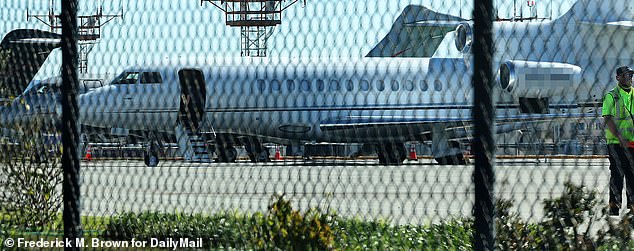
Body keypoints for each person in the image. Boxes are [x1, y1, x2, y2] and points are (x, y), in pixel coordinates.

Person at [603, 65, 634, 216]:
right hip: (616, 143)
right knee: (617, 173)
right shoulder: (611, 96)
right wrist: (619, 137)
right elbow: (607, 119)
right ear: (618, 78)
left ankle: (632, 205)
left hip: (633, 142)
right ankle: (614, 206)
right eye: (625, 75)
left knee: (632, 174)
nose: (629, 77)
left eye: (630, 75)